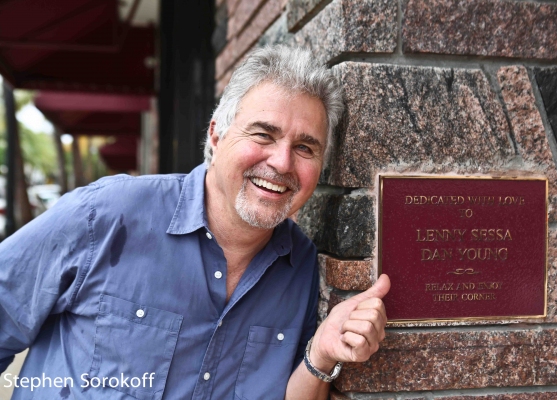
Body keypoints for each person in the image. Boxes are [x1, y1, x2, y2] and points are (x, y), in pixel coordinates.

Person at [0, 45, 389, 399]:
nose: (282, 162)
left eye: (305, 147)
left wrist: (319, 355)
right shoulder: (105, 214)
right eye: (263, 134)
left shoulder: (301, 264)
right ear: (217, 136)